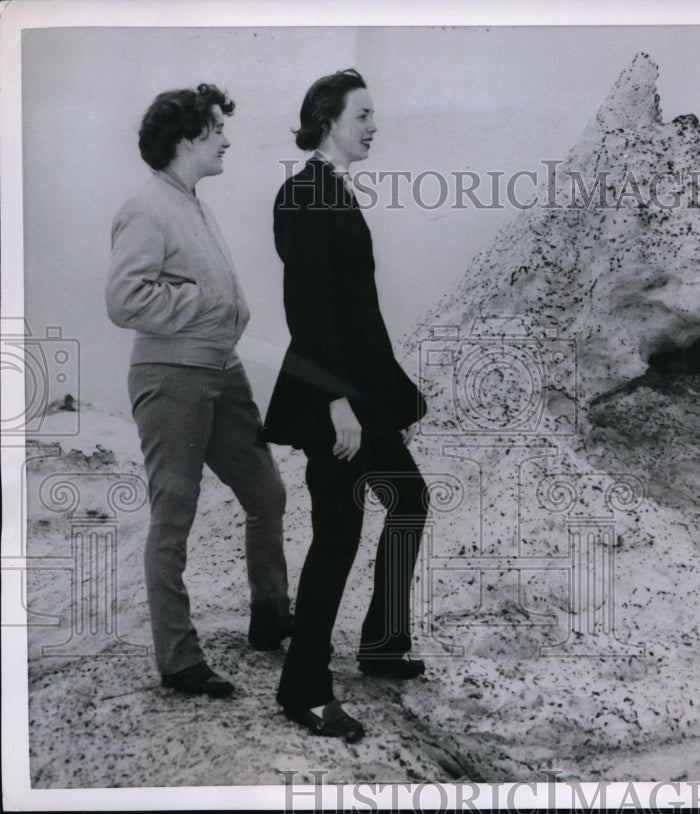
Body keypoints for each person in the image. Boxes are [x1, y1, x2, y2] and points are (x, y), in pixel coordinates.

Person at [106, 84, 293, 699]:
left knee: (266, 491)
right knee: (174, 518)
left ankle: (271, 616)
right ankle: (179, 659)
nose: (227, 140)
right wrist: (205, 300)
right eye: (217, 130)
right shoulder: (146, 207)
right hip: (171, 377)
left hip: (222, 369)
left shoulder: (194, 206)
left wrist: (216, 312)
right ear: (187, 140)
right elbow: (124, 300)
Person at [262, 70, 429, 741]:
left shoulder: (332, 189)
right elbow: (308, 311)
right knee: (339, 533)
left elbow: (358, 314)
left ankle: (383, 643)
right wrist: (337, 403)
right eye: (362, 115)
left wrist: (392, 399)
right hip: (334, 402)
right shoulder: (303, 193)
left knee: (408, 499)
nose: (373, 126)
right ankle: (303, 686)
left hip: (361, 398)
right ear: (327, 119)